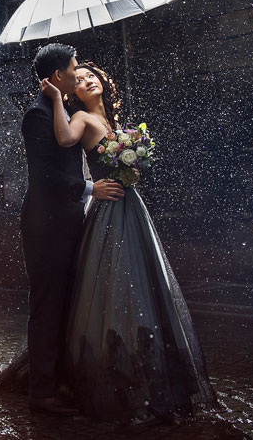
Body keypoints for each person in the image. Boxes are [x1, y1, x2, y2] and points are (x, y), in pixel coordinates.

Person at [37, 60, 215, 424]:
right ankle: (119, 378)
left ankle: (155, 375)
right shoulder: (83, 119)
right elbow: (64, 139)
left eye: (92, 76)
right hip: (108, 212)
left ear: (103, 81)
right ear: (75, 91)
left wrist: (133, 165)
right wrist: (57, 99)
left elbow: (127, 168)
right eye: (80, 79)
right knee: (115, 286)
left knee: (146, 284)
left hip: (132, 208)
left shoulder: (115, 124)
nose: (87, 80)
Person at [16, 43, 124, 416]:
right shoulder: (37, 115)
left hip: (69, 219)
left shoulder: (64, 108)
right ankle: (41, 392)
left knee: (67, 303)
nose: (79, 75)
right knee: (47, 305)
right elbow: (45, 175)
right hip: (45, 225)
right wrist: (91, 188)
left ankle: (59, 379)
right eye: (74, 71)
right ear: (57, 76)